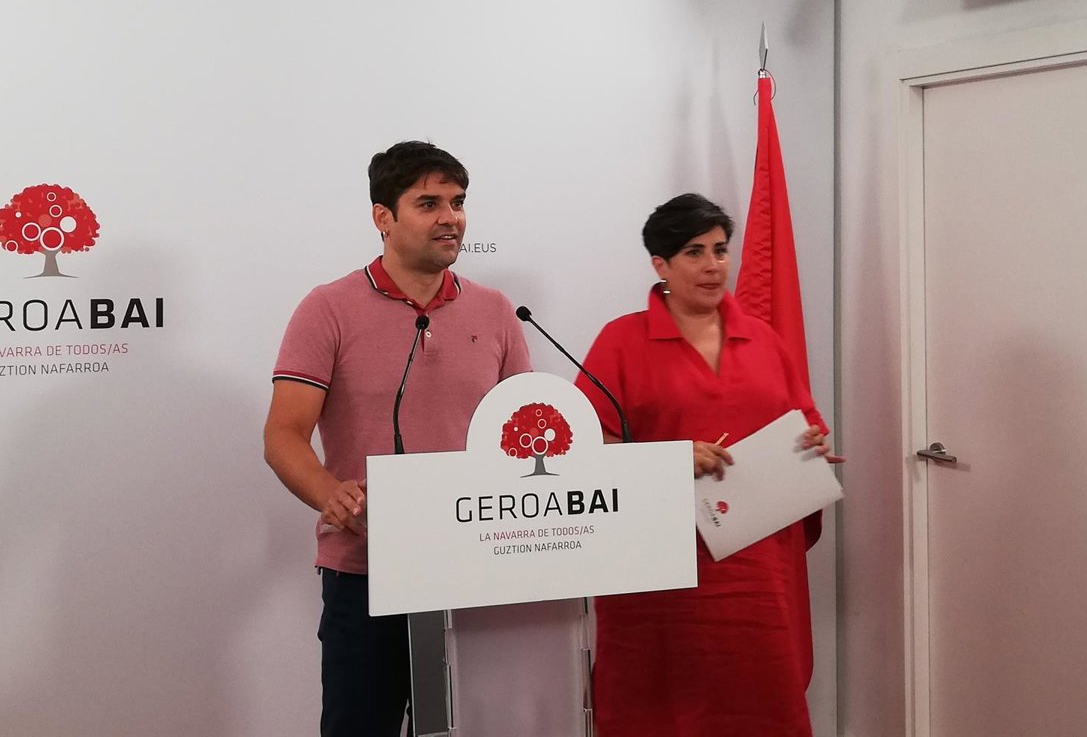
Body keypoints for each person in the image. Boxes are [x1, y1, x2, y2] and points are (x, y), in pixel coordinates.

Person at [263, 141, 531, 737]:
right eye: (429, 203)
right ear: (382, 217)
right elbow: (283, 435)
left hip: (478, 561)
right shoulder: (328, 308)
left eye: (458, 202)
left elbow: (522, 432)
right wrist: (331, 494)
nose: (450, 218)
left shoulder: (496, 311)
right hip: (367, 571)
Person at [574, 193, 843, 737]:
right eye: (694, 252)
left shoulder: (764, 339)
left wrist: (811, 444)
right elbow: (582, 447)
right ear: (661, 265)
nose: (713, 265)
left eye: (720, 250)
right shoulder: (620, 341)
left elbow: (804, 419)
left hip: (758, 565)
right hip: (661, 572)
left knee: (759, 701)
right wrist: (668, 459)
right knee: (659, 707)